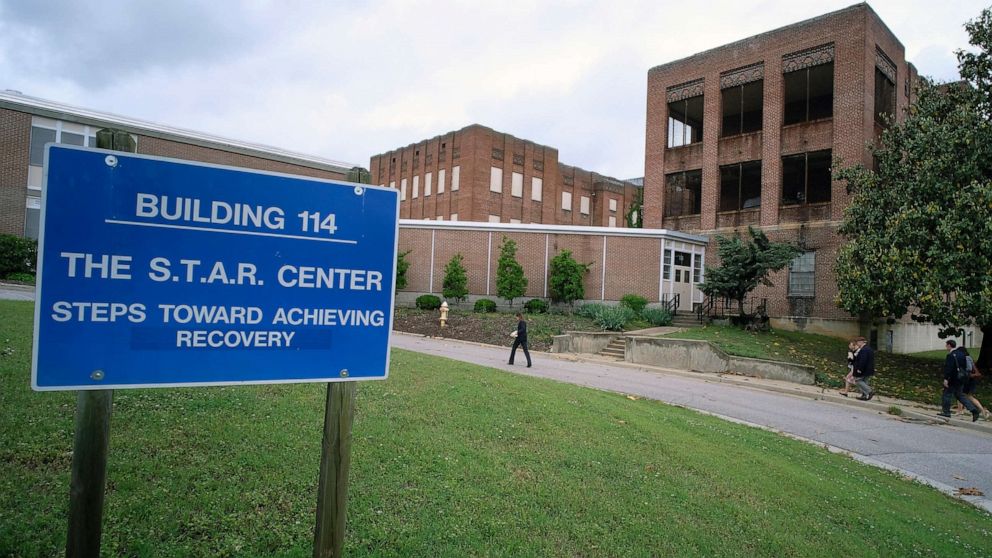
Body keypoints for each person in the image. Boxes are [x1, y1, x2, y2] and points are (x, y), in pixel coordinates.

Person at [939, 340, 981, 421]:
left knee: (947, 394)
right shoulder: (962, 354)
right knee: (960, 395)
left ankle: (946, 412)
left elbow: (949, 368)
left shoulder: (950, 355)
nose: (946, 346)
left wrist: (946, 379)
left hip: (952, 379)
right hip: (961, 378)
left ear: (949, 345)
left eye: (946, 345)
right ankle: (974, 410)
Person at [958, 347, 990, 419]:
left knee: (968, 396)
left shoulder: (966, 358)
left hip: (969, 379)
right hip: (969, 379)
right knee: (960, 393)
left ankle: (983, 411)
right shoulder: (968, 358)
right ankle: (960, 410)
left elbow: (969, 368)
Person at [851, 336, 875, 401]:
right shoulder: (869, 349)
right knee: (865, 381)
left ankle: (870, 392)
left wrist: (859, 369)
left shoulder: (864, 350)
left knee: (858, 381)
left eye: (857, 342)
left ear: (861, 342)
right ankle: (864, 395)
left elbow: (863, 360)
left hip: (864, 369)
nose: (856, 344)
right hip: (869, 369)